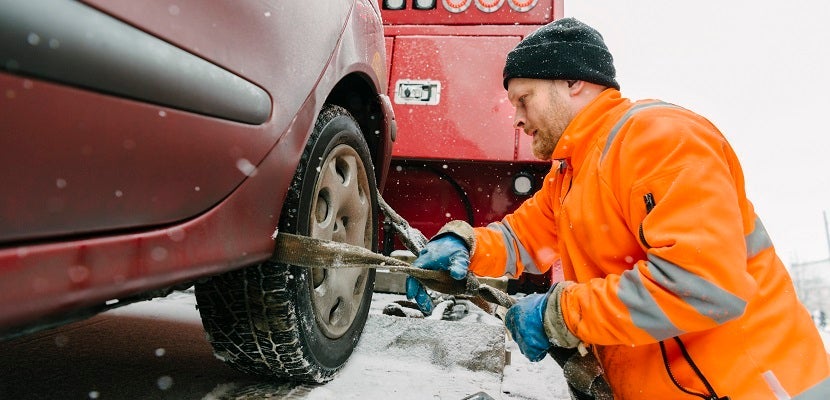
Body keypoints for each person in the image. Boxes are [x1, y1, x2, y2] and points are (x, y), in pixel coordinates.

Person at [406, 17, 830, 399]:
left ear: (573, 83)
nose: (515, 118)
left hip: (758, 387)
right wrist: (462, 244)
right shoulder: (572, 174)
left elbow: (703, 285)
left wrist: (562, 314)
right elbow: (522, 237)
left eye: (524, 99)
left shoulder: (659, 140)